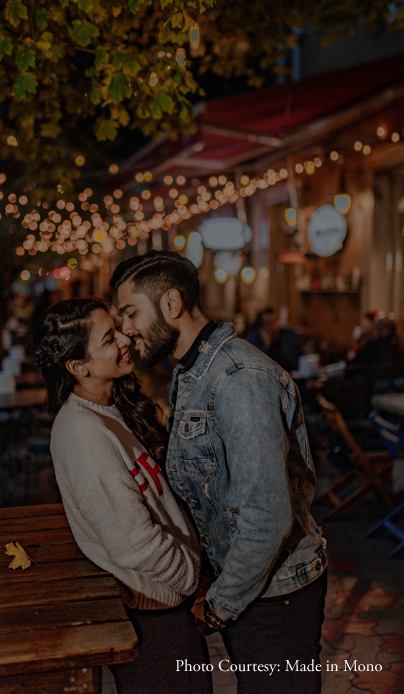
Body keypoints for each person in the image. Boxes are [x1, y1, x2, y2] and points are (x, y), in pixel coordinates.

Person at [110, 251, 327, 694]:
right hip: (248, 587)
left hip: (274, 596)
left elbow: (266, 516)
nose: (125, 329)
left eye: (130, 313)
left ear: (171, 303)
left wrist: (217, 606)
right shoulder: (191, 371)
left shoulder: (238, 379)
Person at [33, 298, 212, 694]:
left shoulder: (106, 410)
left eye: (119, 327)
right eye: (109, 337)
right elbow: (133, 543)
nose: (125, 338)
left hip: (165, 606)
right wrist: (190, 578)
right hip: (154, 612)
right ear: (79, 367)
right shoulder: (83, 435)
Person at [245, 307, 302, 373]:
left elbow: (297, 359)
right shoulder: (253, 339)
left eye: (275, 321)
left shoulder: (288, 335)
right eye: (269, 323)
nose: (273, 326)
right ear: (261, 326)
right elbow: (255, 366)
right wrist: (266, 346)